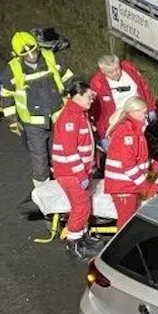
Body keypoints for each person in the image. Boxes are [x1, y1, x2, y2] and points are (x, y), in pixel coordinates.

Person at [0, 30, 76, 187]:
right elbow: (6, 97)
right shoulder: (12, 70)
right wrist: (12, 120)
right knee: (40, 160)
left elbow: (68, 79)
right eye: (26, 54)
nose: (32, 55)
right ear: (16, 55)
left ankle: (66, 185)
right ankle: (44, 193)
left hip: (58, 116)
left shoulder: (50, 57)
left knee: (62, 154)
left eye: (33, 50)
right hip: (33, 123)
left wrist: (76, 102)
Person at [103, 96, 158, 228]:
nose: (146, 115)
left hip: (128, 184)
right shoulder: (127, 133)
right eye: (143, 112)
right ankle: (122, 246)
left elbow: (140, 157)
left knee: (130, 218)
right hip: (122, 185)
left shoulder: (136, 131)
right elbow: (128, 166)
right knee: (126, 222)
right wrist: (144, 185)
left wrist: (157, 165)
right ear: (134, 112)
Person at [50, 81, 99, 258]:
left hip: (78, 171)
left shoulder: (79, 114)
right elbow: (70, 150)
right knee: (81, 207)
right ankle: (74, 244)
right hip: (70, 172)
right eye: (89, 97)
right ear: (78, 96)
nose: (91, 101)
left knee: (83, 206)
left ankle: (81, 238)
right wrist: (80, 174)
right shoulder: (70, 118)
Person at [90, 54, 157, 145]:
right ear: (102, 71)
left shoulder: (128, 68)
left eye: (118, 68)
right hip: (118, 117)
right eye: (111, 72)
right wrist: (102, 135)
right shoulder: (98, 83)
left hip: (139, 109)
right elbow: (98, 111)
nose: (116, 73)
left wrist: (150, 108)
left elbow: (143, 87)